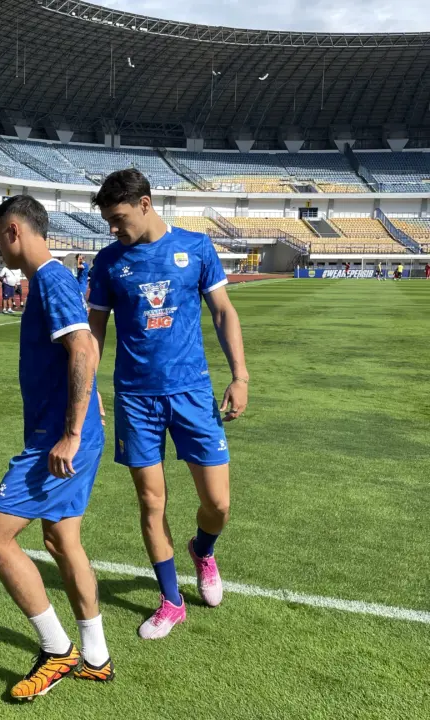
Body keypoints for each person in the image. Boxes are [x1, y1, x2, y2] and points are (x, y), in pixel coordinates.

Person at [87, 169, 249, 640]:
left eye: (118, 219)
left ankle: (203, 549)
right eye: (108, 222)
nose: (113, 230)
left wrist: (240, 375)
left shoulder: (196, 248)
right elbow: (94, 330)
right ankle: (172, 600)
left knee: (217, 503)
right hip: (135, 397)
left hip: (192, 393)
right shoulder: (108, 262)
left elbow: (223, 311)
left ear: (145, 203)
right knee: (151, 501)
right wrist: (88, 384)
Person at [0, 195, 113, 702]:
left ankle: (57, 650)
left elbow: (81, 346)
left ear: (14, 231)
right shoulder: (52, 280)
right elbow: (87, 346)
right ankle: (96, 657)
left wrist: (72, 431)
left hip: (57, 441)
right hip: (70, 433)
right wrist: (90, 401)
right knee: (61, 541)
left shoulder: (51, 279)